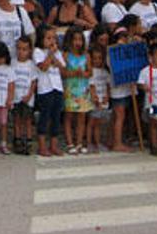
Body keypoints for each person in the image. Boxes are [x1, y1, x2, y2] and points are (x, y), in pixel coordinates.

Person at [34, 25, 65, 157]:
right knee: (45, 116)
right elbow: (43, 67)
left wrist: (54, 55)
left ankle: (54, 144)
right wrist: (50, 54)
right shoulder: (38, 52)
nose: (52, 41)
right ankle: (42, 146)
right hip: (45, 88)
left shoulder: (57, 52)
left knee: (56, 117)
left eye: (54, 38)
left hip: (57, 87)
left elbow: (62, 67)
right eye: (48, 38)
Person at [62, 26, 91, 155]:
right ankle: (69, 142)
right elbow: (62, 73)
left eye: (80, 39)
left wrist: (84, 73)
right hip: (70, 88)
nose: (78, 42)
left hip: (83, 89)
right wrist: (74, 72)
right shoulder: (66, 55)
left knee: (81, 116)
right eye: (75, 39)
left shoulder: (86, 55)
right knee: (69, 116)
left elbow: (90, 72)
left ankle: (79, 142)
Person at [12, 36, 37, 156]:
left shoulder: (31, 64)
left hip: (27, 98)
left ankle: (28, 141)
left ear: (29, 51)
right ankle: (18, 141)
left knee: (27, 121)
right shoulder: (13, 62)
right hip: (16, 97)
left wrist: (29, 95)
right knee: (17, 120)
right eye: (19, 49)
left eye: (24, 49)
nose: (21, 52)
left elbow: (33, 81)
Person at [87, 46, 111, 153]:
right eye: (95, 58)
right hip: (94, 101)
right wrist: (95, 99)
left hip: (103, 100)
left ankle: (97, 143)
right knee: (91, 123)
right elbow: (91, 86)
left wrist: (107, 96)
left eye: (100, 58)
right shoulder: (91, 71)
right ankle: (88, 143)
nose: (97, 61)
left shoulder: (105, 72)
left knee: (98, 124)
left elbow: (108, 85)